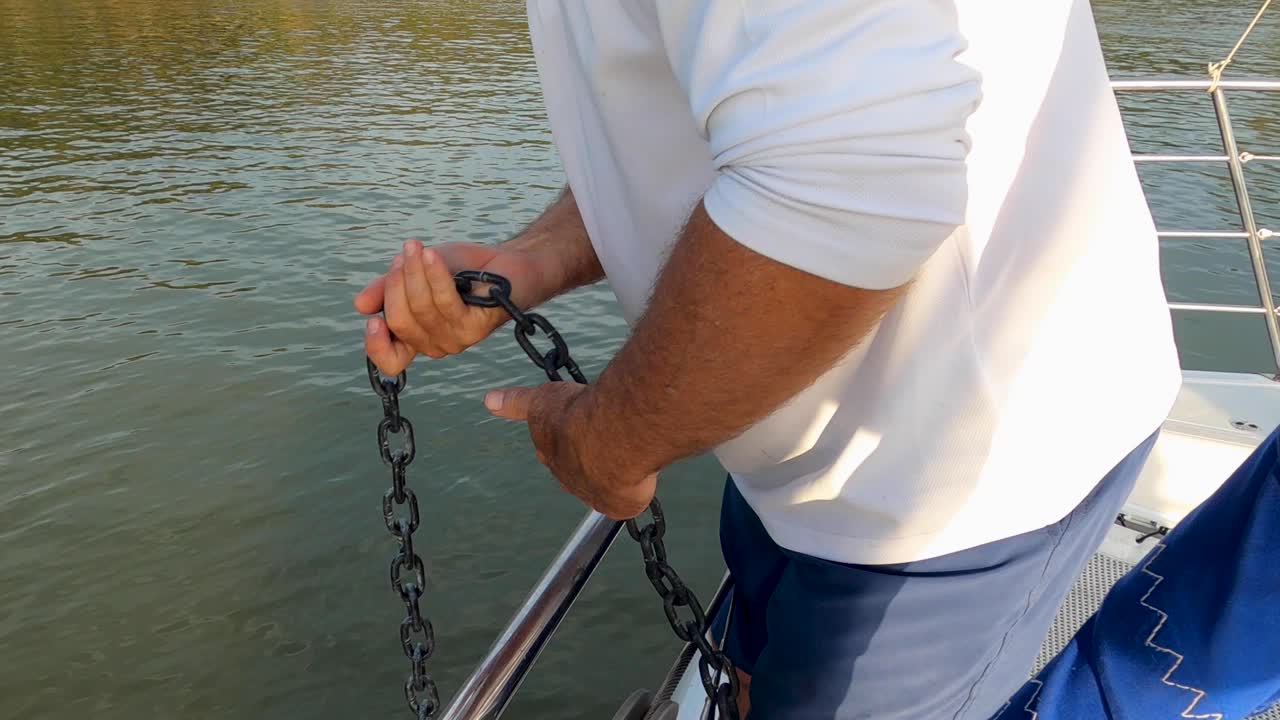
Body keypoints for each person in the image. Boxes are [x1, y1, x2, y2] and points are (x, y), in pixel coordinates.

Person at [355, 1, 1182, 717]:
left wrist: (610, 443)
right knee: (747, 680)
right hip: (786, 435)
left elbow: (847, 175)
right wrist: (530, 259)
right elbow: (701, 122)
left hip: (957, 474)